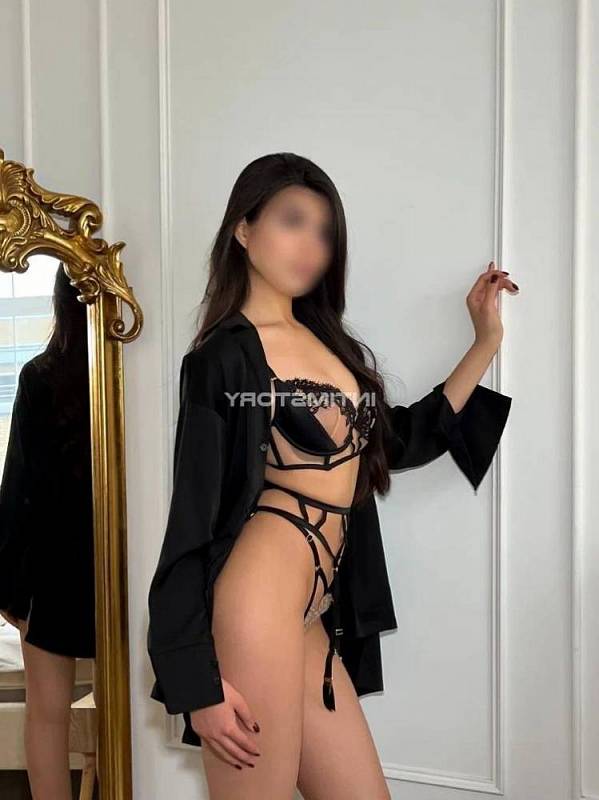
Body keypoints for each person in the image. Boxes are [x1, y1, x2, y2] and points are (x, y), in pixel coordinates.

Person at [147, 152, 518, 798]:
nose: (311, 246)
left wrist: (484, 342)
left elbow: (399, 440)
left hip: (310, 611)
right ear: (243, 229)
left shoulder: (329, 344)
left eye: (324, 232)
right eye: (292, 221)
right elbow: (192, 519)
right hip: (256, 599)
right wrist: (194, 686)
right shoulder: (223, 358)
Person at [0, 263, 95, 800]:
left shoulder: (41, 375)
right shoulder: (131, 370)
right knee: (132, 705)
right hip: (119, 559)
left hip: (53, 569)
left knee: (47, 714)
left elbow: (18, 489)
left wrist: (10, 589)